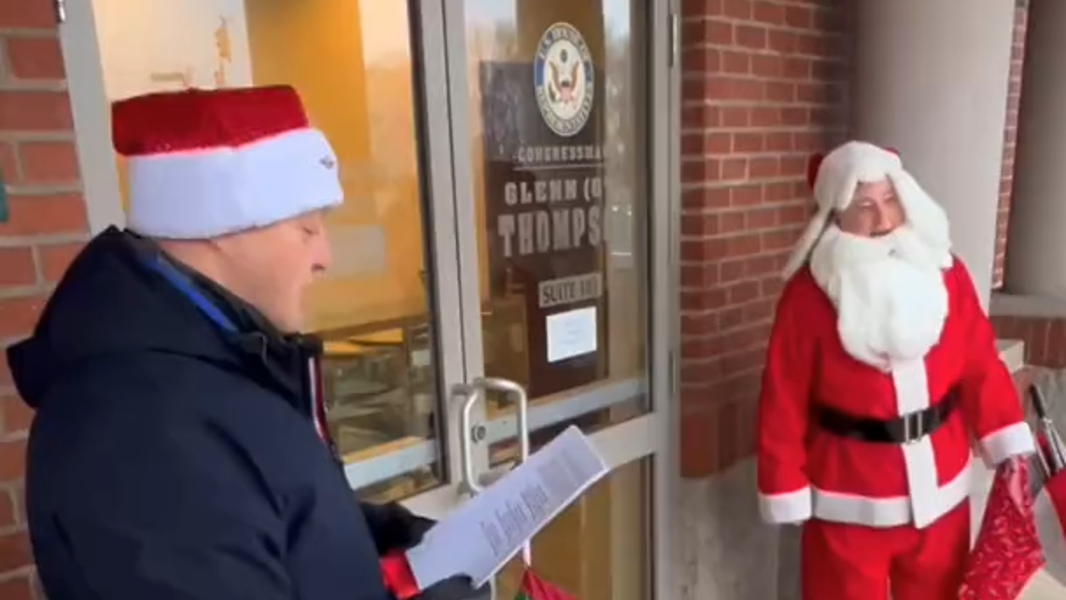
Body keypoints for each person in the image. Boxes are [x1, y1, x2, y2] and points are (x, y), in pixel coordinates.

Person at [6, 86, 476, 600]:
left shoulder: (219, 360)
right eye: (307, 228)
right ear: (221, 228)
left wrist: (360, 533)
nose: (325, 256)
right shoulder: (141, 434)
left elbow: (247, 515)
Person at [756, 141, 1036, 599]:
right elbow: (782, 398)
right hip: (849, 498)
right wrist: (783, 481)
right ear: (836, 216)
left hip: (940, 494)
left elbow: (980, 364)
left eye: (890, 202)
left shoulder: (946, 275)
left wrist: (1004, 436)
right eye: (864, 206)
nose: (883, 221)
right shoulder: (807, 299)